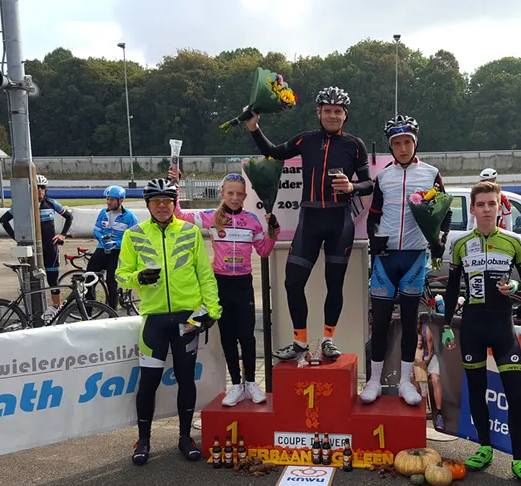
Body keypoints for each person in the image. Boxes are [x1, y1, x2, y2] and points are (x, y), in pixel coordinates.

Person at [243, 86, 374, 361]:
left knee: (334, 285)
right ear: (319, 113)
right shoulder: (306, 140)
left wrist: (352, 187)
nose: (332, 116)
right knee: (292, 283)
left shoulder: (355, 145)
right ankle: (299, 342)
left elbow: (368, 183)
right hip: (310, 221)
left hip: (340, 221)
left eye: (337, 111)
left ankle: (328, 340)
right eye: (327, 111)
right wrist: (254, 128)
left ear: (345, 115)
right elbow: (273, 152)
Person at [441, 181, 521, 486]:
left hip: (502, 327)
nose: (486, 209)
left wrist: (517, 285)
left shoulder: (513, 241)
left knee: (516, 395)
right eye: (481, 204)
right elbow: (451, 287)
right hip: (472, 325)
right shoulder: (460, 244)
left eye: (492, 204)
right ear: (472, 209)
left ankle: (519, 461)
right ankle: (484, 448)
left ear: (499, 208)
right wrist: (446, 325)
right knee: (476, 391)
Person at [115, 178, 221, 466]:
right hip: (155, 320)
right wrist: (138, 278)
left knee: (186, 379)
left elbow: (205, 275)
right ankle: (143, 440)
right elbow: (120, 275)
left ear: (175, 204)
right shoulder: (134, 235)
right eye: (156, 201)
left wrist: (212, 311)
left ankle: (185, 437)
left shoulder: (190, 232)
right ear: (148, 205)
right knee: (148, 383)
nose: (162, 206)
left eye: (167, 201)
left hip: (188, 319)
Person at [361, 115, 450, 406]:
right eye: (397, 143)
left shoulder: (431, 173)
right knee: (380, 323)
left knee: (411, 323)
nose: (402, 148)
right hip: (386, 259)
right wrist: (373, 240)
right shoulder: (383, 177)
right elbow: (373, 216)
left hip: (414, 257)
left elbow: (445, 212)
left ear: (415, 143)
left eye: (407, 142)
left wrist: (439, 241)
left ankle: (404, 383)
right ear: (391, 146)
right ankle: (373, 381)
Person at [172, 171, 280, 407]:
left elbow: (264, 250)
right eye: (230, 193)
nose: (235, 198)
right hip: (220, 284)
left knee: (247, 337)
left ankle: (251, 383)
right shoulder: (212, 217)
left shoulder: (252, 220)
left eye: (239, 194)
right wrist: (175, 186)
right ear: (222, 194)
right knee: (228, 338)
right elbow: (178, 215)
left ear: (245, 197)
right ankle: (236, 385)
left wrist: (274, 230)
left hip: (243, 285)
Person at [0, 174, 73, 318]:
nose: (40, 190)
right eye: (37, 187)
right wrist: (17, 238)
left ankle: (56, 310)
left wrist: (62, 235)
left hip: (50, 248)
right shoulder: (23, 206)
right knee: (32, 281)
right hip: (33, 249)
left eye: (43, 188)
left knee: (52, 280)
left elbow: (69, 217)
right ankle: (33, 313)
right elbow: (3, 220)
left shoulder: (51, 204)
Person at [87, 185, 139, 309]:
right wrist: (101, 239)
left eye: (112, 199)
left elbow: (134, 239)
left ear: (121, 200)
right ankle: (87, 312)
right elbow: (96, 230)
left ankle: (112, 313)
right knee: (89, 280)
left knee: (112, 283)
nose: (108, 202)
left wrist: (116, 243)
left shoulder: (130, 217)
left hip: (117, 253)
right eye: (107, 199)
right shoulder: (103, 213)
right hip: (101, 249)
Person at [415, 314, 444, 432]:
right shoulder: (408, 331)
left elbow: (430, 352)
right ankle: (419, 411)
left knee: (435, 379)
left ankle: (439, 414)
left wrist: (424, 363)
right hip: (416, 357)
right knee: (415, 381)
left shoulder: (426, 331)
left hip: (429, 358)